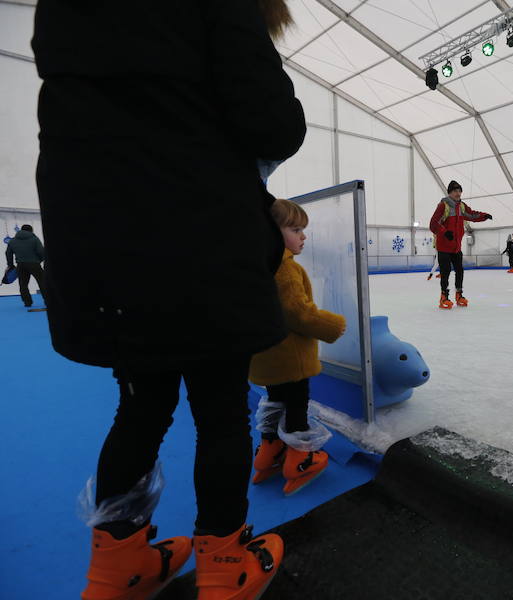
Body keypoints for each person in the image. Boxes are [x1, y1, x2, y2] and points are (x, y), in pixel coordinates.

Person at [32, 1, 307, 598]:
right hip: (199, 245)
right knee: (220, 414)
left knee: (139, 408)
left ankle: (117, 564)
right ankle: (224, 560)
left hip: (104, 250)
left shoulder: (60, 11)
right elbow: (275, 123)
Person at [249, 199, 346, 496]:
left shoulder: (257, 264)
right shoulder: (285, 268)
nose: (303, 236)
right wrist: (333, 325)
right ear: (271, 232)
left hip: (266, 356)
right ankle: (299, 459)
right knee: (296, 405)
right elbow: (298, 313)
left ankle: (270, 450)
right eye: (295, 229)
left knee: (275, 401)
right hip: (290, 357)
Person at [429, 180, 492, 309]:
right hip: (444, 247)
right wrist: (444, 232)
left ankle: (459, 294)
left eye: (459, 191)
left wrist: (484, 215)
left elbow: (471, 215)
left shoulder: (461, 206)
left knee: (460, 271)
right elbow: (433, 224)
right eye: (455, 191)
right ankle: (444, 297)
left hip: (456, 247)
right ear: (449, 193)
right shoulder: (443, 206)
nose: (458, 193)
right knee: (445, 272)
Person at [4, 224, 45, 308]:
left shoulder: (12, 241)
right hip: (34, 264)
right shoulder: (34, 239)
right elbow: (41, 251)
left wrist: (10, 265)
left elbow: (8, 253)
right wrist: (40, 260)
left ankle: (27, 303)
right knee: (43, 283)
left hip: (21, 265)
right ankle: (49, 301)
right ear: (31, 230)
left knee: (23, 284)